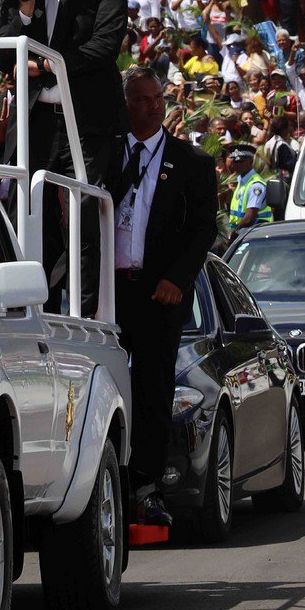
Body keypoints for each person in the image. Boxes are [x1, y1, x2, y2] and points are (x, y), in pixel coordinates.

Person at [0, 0, 130, 312]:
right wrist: (28, 8)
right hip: (37, 123)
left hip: (86, 125)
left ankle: (84, 315)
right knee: (31, 218)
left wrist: (44, 67)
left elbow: (103, 50)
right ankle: (36, 311)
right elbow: (1, 51)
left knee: (84, 222)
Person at [110, 66, 219, 525]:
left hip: (159, 294)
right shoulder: (104, 155)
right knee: (107, 389)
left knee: (153, 391)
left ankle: (148, 486)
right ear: (125, 103)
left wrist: (178, 278)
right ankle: (107, 481)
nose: (152, 106)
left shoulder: (191, 163)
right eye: (141, 98)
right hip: (109, 296)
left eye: (158, 98)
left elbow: (202, 230)